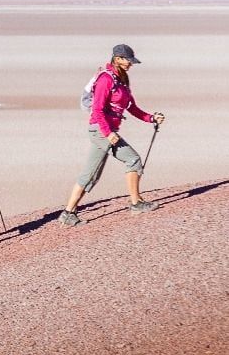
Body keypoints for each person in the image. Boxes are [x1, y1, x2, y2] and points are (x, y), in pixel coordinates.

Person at [59, 43, 166, 225]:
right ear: (117, 59)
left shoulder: (122, 81)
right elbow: (97, 110)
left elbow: (132, 108)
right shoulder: (105, 80)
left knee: (91, 175)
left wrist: (151, 118)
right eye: (128, 61)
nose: (130, 64)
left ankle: (68, 213)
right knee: (133, 160)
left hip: (106, 132)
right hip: (101, 132)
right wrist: (108, 133)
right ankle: (136, 203)